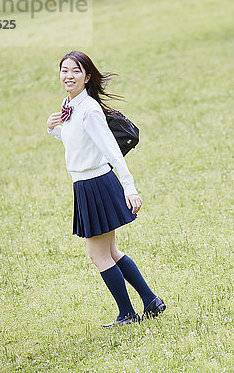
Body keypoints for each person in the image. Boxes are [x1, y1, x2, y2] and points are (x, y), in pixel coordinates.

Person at [46, 50, 165, 328]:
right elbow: (77, 143)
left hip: (96, 183)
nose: (69, 75)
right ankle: (150, 301)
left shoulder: (88, 109)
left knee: (98, 254)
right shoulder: (70, 105)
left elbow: (111, 150)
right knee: (110, 253)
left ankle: (127, 314)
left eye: (76, 71)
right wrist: (53, 129)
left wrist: (130, 188)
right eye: (65, 70)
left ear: (87, 77)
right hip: (87, 184)